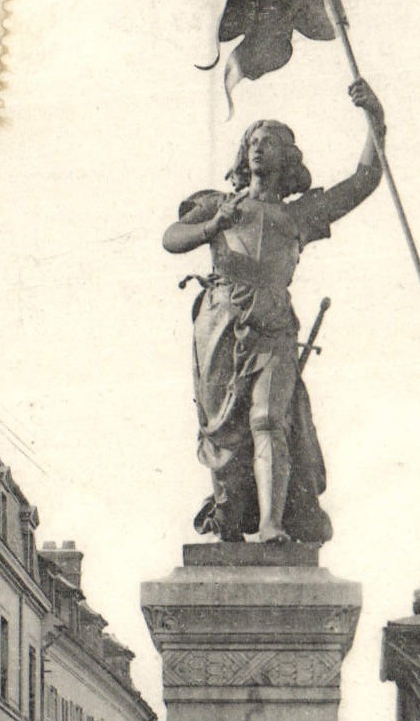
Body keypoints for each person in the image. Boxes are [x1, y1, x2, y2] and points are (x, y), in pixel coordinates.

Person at [163, 79, 386, 545]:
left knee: (269, 418)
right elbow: (171, 238)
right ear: (244, 155)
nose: (259, 147)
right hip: (221, 320)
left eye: (269, 142)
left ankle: (271, 524)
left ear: (287, 157)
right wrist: (212, 227)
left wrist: (375, 122)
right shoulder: (218, 204)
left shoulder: (300, 215)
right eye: (253, 141)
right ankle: (228, 518)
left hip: (274, 322)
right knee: (222, 427)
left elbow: (362, 181)